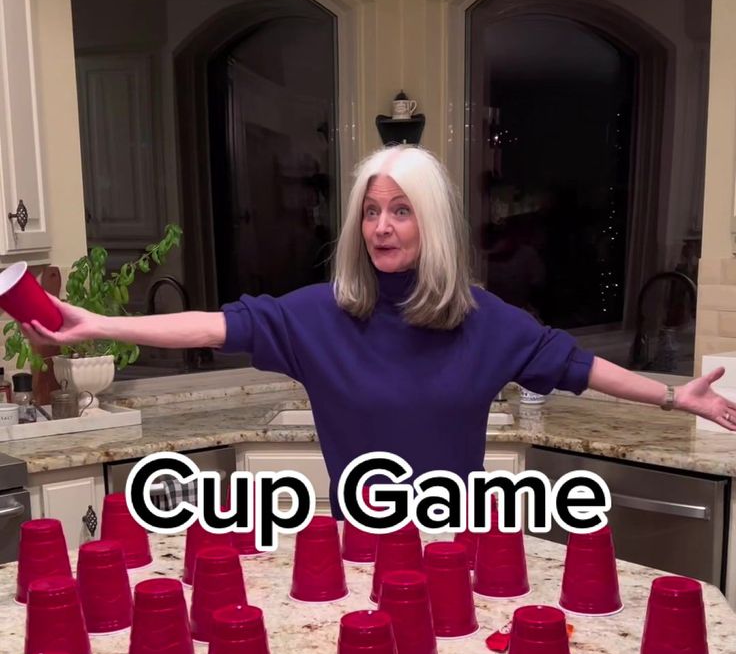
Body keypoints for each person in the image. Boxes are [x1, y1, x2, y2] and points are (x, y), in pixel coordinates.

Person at [22, 146, 736, 518]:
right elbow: (215, 322)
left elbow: (579, 367)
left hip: (460, 549)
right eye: (371, 212)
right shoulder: (320, 315)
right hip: (356, 552)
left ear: (431, 222)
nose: (382, 226)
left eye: (401, 210)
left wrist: (677, 400)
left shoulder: (487, 322)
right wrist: (100, 324)